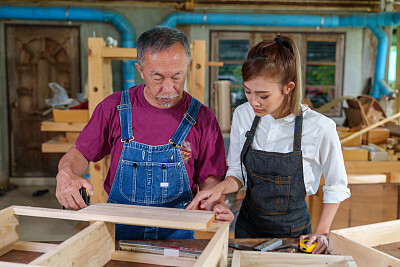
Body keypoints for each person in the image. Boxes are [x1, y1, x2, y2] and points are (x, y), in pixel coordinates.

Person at [55, 26, 234, 240]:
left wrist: (216, 205)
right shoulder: (114, 108)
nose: (168, 89)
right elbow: (80, 153)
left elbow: (211, 181)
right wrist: (66, 173)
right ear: (140, 70)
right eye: (157, 78)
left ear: (186, 67)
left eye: (177, 77)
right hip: (119, 230)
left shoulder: (203, 118)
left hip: (178, 233)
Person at [187, 35, 351, 253]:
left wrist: (322, 231)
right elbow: (238, 172)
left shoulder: (320, 127)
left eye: (263, 95)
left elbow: (336, 185)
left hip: (296, 234)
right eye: (247, 91)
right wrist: (218, 189)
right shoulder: (243, 115)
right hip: (248, 229)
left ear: (288, 87)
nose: (254, 101)